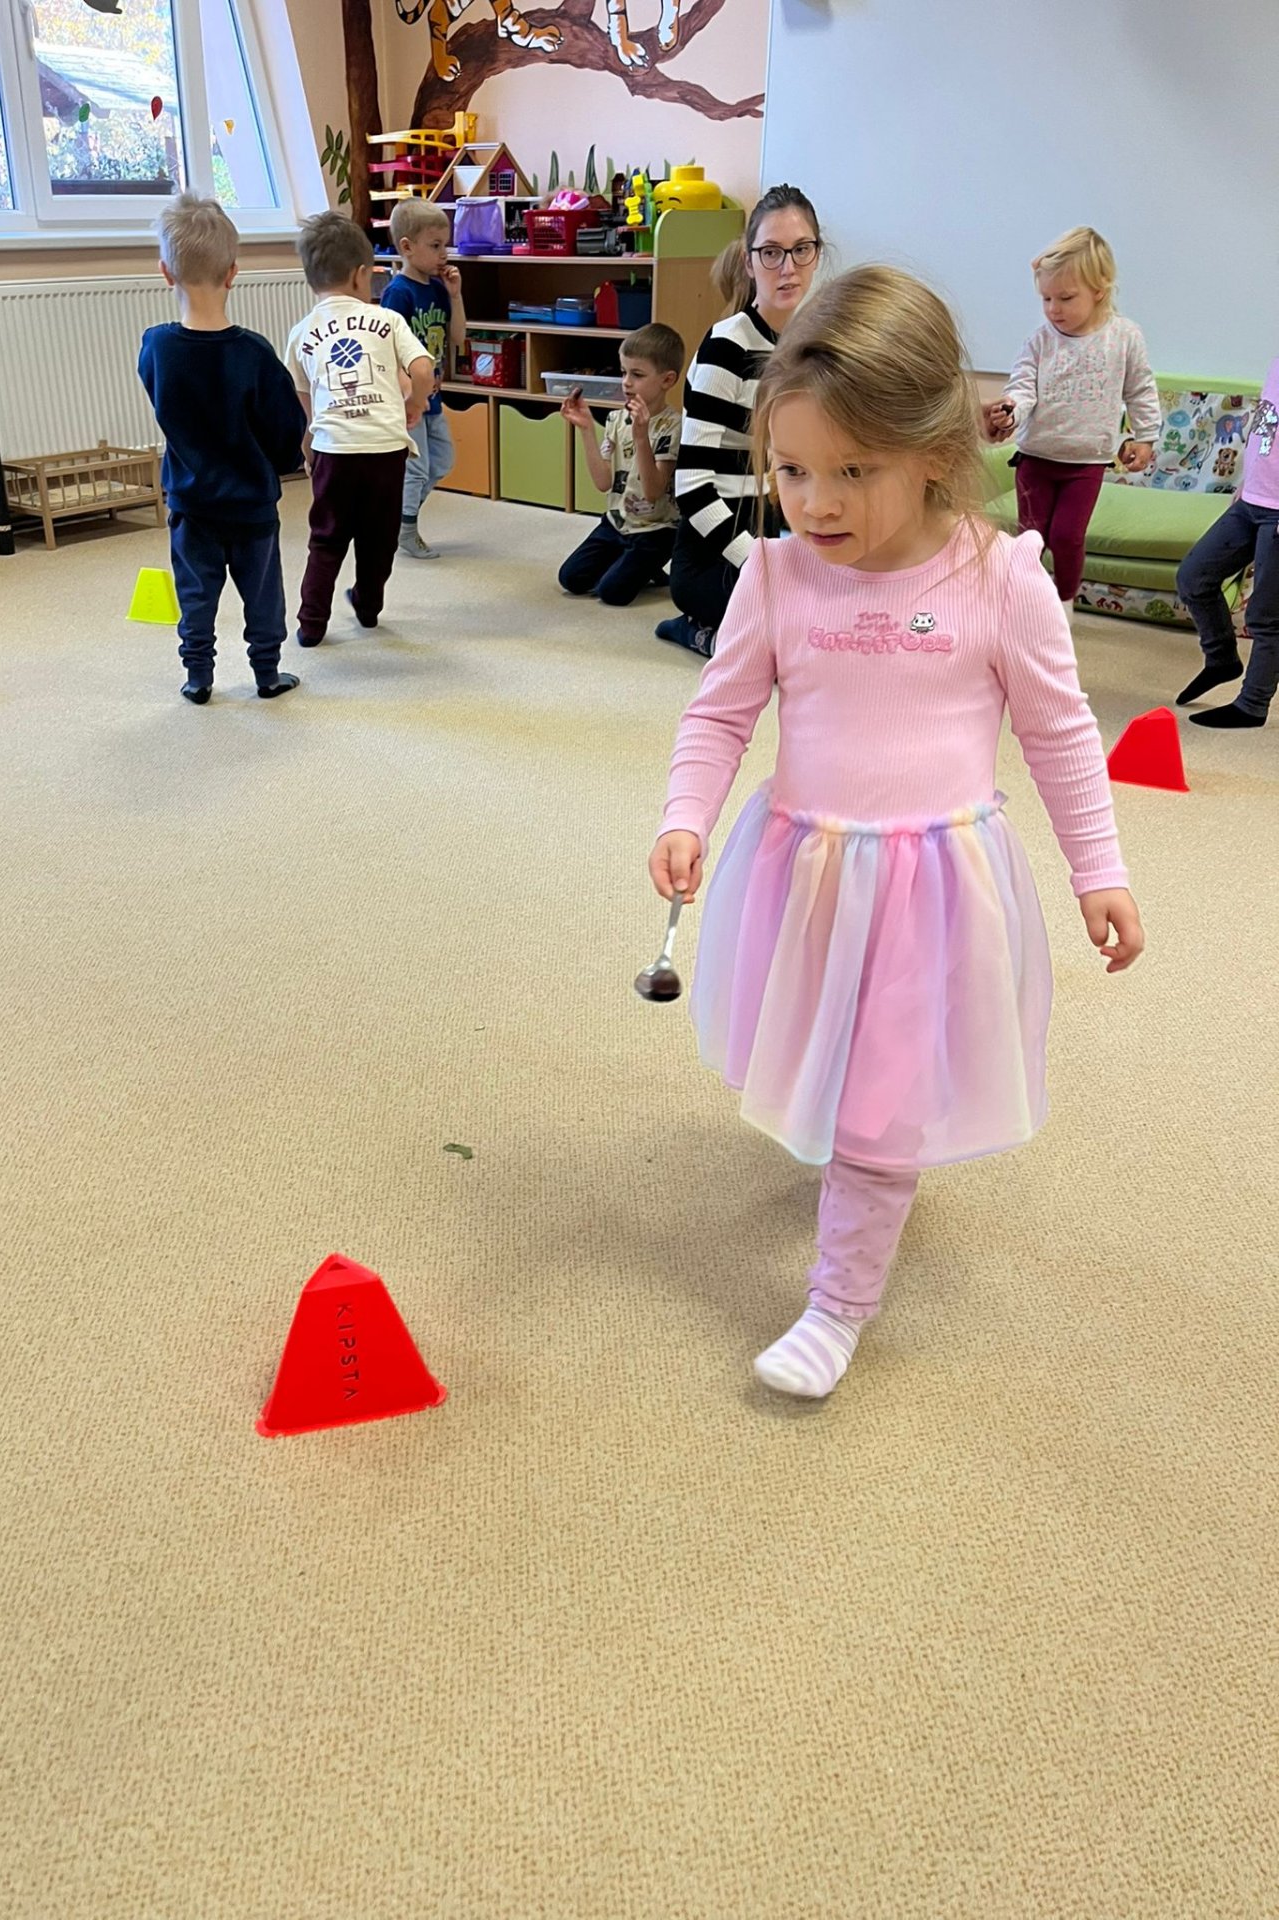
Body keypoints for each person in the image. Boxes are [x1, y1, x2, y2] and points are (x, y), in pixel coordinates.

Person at [650, 266, 1145, 1401]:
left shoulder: (999, 578)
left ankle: (838, 1303)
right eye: (791, 471)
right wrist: (686, 814)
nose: (814, 503)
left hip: (932, 890)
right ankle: (860, 1163)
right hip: (806, 875)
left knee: (878, 1101)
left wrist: (1100, 869)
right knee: (824, 1052)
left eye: (852, 472)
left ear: (932, 452)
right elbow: (720, 713)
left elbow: (1062, 734)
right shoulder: (775, 578)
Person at [138, 193, 307, 704]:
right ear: (233, 273)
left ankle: (198, 676)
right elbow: (286, 426)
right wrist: (282, 464)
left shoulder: (157, 347)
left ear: (165, 272)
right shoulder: (254, 352)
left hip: (191, 503)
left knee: (195, 591)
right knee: (263, 592)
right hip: (251, 502)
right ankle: (267, 673)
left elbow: (165, 403)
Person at [656, 183, 823, 659]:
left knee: (836, 615)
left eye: (801, 250)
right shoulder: (726, 348)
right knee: (793, 635)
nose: (788, 268)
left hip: (772, 527)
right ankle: (698, 630)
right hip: (714, 548)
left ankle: (728, 630)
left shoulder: (810, 343)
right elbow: (692, 488)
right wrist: (760, 564)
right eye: (771, 253)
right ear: (749, 262)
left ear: (817, 254)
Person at [983, 226, 1160, 623]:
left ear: (1099, 290)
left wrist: (1146, 436)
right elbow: (1023, 387)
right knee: (1031, 538)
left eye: (1065, 298)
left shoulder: (1124, 337)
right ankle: (1024, 603)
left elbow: (1140, 388)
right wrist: (1011, 410)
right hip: (1036, 457)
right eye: (1046, 298)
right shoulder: (1040, 341)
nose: (1053, 309)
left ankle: (1064, 604)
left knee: (1066, 536)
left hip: (1086, 461)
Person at [284, 214, 434, 646]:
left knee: (326, 540)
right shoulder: (387, 320)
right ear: (360, 274)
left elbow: (305, 403)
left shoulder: (301, 333)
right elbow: (423, 370)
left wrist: (310, 450)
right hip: (385, 449)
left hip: (334, 451)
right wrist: (414, 404)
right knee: (378, 538)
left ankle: (312, 624)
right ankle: (368, 607)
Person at [1173, 354, 1279, 729]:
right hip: (1252, 500)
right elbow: (1266, 433)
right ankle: (1221, 659)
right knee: (1193, 577)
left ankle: (1252, 705)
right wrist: (1248, 483)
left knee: (1266, 616)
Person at [558, 323, 684, 605]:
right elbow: (603, 482)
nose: (626, 382)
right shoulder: (616, 420)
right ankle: (635, 565)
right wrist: (586, 428)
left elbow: (653, 491)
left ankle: (646, 565)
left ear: (667, 380)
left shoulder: (673, 426)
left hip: (656, 530)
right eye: (623, 372)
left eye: (637, 375)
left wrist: (641, 436)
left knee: (611, 592)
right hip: (618, 523)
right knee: (571, 578)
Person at [380, 198, 466, 560]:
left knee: (441, 461)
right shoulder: (398, 292)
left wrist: (455, 297)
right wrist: (407, 393)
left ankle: (397, 516)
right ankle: (406, 529)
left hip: (433, 397)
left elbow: (458, 337)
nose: (443, 254)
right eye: (435, 245)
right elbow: (386, 349)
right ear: (407, 247)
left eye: (445, 244)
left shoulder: (437, 289)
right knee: (415, 469)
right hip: (408, 399)